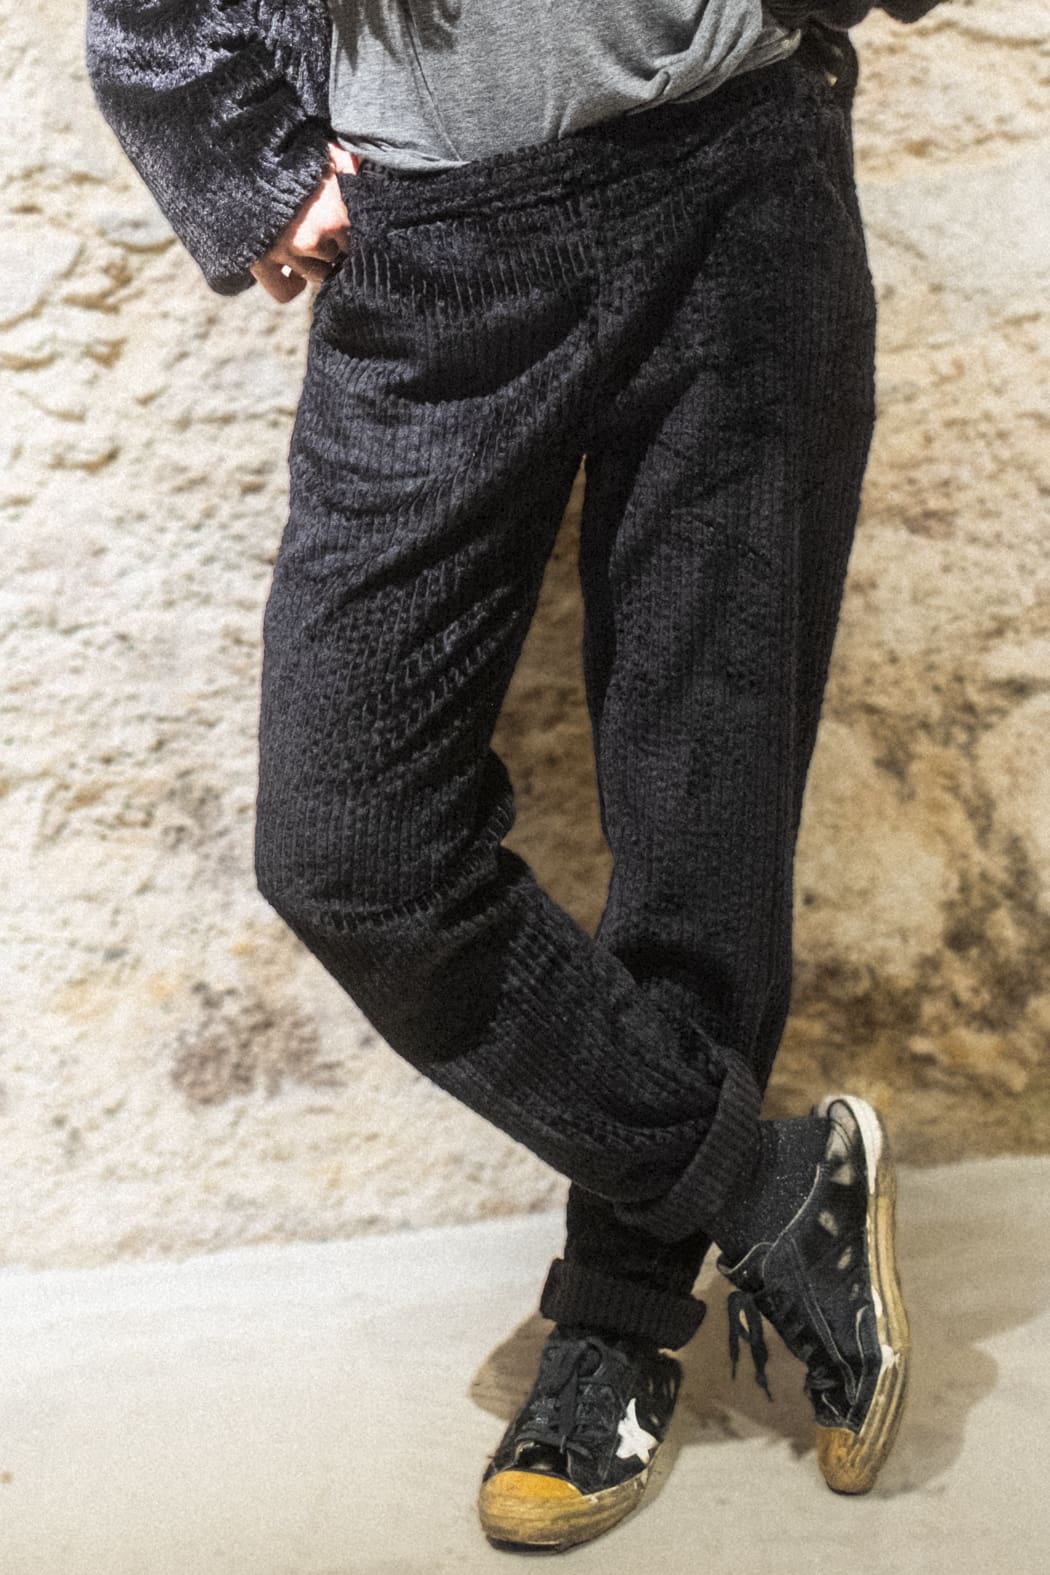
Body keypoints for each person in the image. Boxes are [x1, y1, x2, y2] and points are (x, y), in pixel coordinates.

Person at [86, 0, 942, 1552]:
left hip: (740, 174)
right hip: (435, 241)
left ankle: (618, 1320)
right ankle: (765, 1190)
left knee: (704, 815)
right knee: (350, 846)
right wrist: (243, 157)